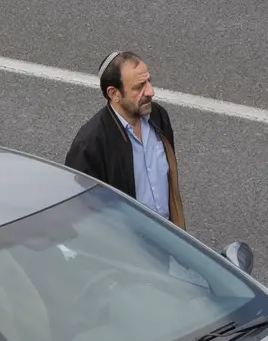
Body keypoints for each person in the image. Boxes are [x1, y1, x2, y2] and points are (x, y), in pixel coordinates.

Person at [65, 50, 185, 229]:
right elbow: (80, 211)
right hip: (128, 248)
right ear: (114, 94)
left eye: (149, 82)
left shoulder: (158, 116)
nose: (150, 91)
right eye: (139, 87)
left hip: (166, 237)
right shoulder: (90, 144)